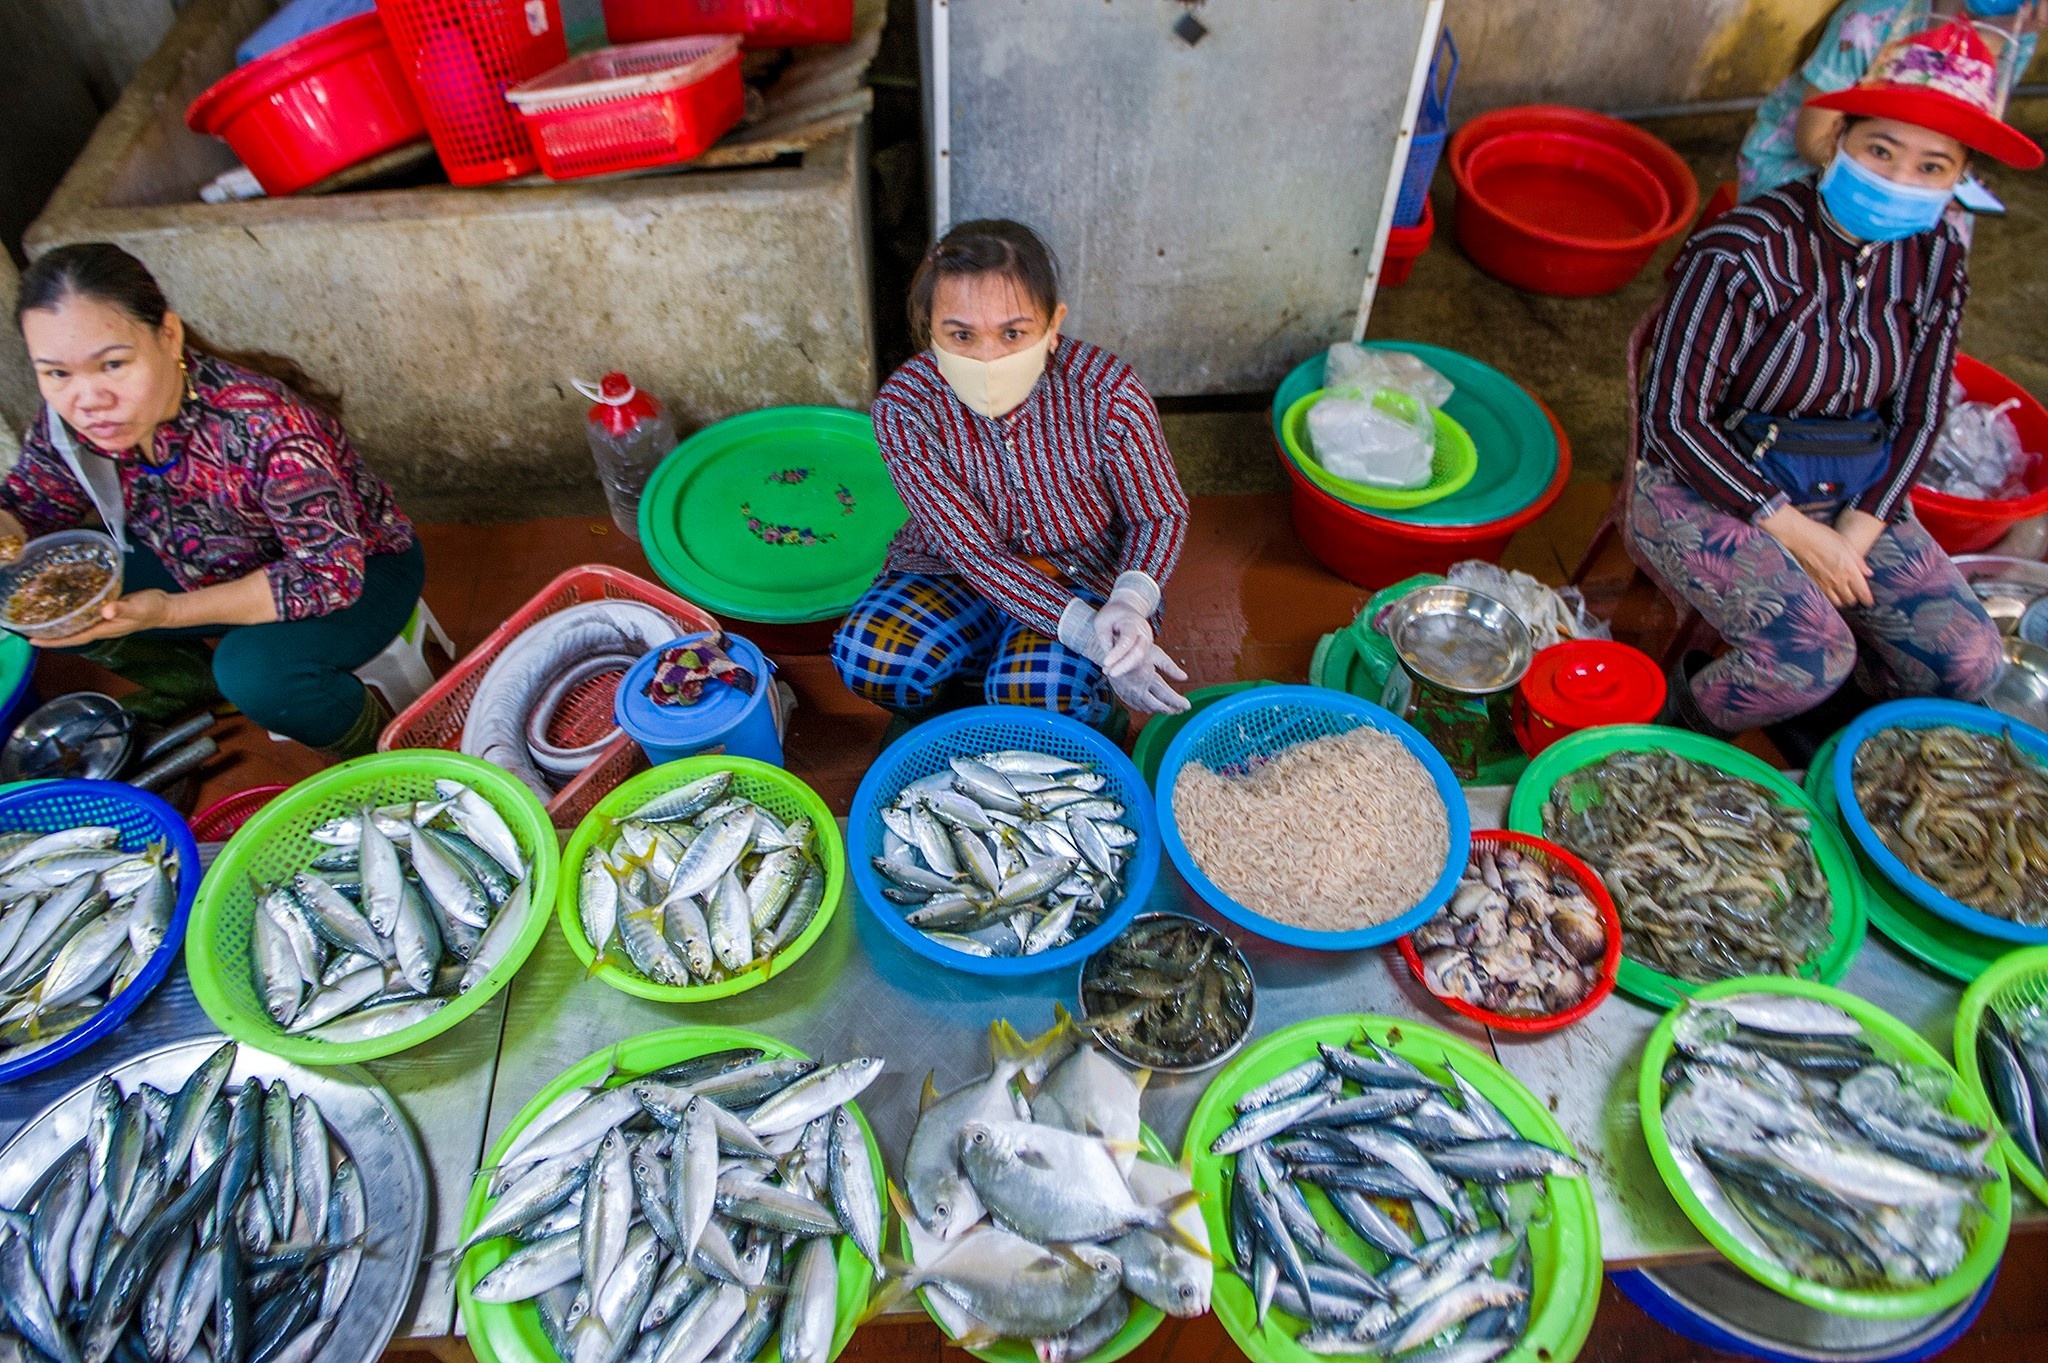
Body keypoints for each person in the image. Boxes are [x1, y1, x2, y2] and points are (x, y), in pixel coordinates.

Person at [1632, 16, 2040, 748]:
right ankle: (1671, 730)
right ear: (1836, 140)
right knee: (1805, 654)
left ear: (1958, 179)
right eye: (1880, 149)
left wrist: (1859, 525)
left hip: (1849, 488)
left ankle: (1845, 731)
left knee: (1970, 661)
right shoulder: (1743, 250)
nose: (1899, 179)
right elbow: (1672, 421)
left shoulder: (1938, 257)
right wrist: (1789, 527)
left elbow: (1918, 417)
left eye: (1932, 167)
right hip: (1702, 485)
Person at [3, 243, 423, 758]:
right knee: (53, 596)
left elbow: (326, 576)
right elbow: (30, 501)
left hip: (358, 571)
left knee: (257, 675)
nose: (88, 400)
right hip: (199, 564)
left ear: (168, 336)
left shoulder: (266, 428)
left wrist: (165, 612)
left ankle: (388, 756)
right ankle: (192, 685)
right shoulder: (70, 426)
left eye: (112, 364)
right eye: (57, 374)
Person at [832, 219, 1192, 732]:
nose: (986, 357)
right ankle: (963, 679)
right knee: (872, 655)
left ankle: (1054, 691)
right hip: (953, 572)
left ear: (1052, 327)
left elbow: (1159, 513)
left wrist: (1131, 604)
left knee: (1036, 694)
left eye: (1013, 332)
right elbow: (972, 552)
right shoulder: (905, 407)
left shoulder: (1107, 392)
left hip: (1084, 577)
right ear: (928, 331)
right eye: (960, 334)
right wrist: (1087, 637)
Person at [1739, 0, 2040, 202]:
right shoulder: (1873, 16)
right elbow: (1813, 142)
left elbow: (1966, 131)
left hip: (1909, 175)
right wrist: (1902, 187)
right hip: (1809, 167)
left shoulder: (2017, 35)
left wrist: (1941, 186)